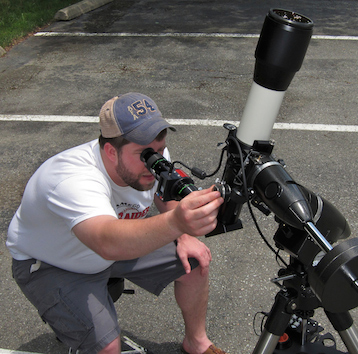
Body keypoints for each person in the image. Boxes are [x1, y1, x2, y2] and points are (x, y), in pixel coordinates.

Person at [7, 92, 227, 354]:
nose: (155, 160)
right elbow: (107, 241)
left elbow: (162, 191)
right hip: (54, 263)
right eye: (145, 154)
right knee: (108, 347)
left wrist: (185, 235)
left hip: (112, 249)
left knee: (194, 263)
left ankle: (196, 341)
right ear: (111, 151)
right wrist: (177, 222)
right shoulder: (71, 178)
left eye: (158, 149)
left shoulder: (152, 157)